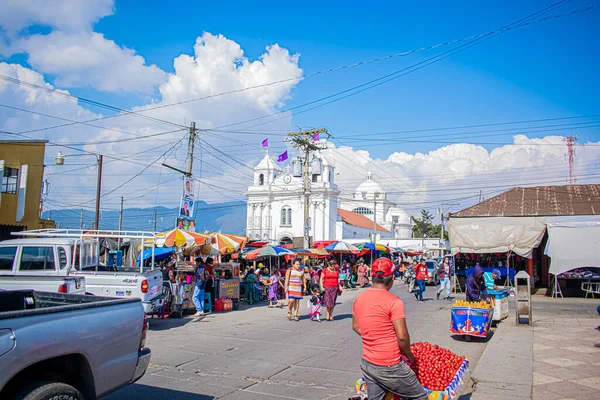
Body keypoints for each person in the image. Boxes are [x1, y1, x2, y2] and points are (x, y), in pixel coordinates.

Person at [352, 258, 427, 400]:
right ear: (392, 278)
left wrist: (373, 337)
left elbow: (356, 326)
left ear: (373, 277)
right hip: (390, 365)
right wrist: (409, 355)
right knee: (420, 397)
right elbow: (402, 337)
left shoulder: (359, 298)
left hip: (368, 362)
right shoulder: (394, 301)